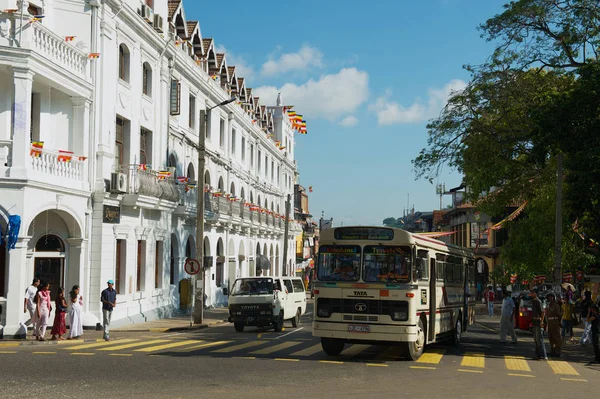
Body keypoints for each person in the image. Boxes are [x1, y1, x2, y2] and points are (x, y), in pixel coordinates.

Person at [531, 289, 548, 360]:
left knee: (539, 339)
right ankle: (538, 355)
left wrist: (541, 321)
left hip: (538, 322)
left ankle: (543, 355)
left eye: (532, 293)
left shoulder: (538, 301)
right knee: (536, 339)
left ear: (536, 294)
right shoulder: (534, 301)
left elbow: (542, 312)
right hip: (534, 322)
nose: (531, 294)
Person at [545, 292, 562, 357]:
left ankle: (557, 351)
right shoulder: (548, 305)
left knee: (557, 338)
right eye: (549, 297)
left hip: (555, 322)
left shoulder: (556, 305)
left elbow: (559, 314)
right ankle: (552, 351)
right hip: (549, 323)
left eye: (552, 297)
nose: (550, 298)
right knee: (550, 337)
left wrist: (559, 322)